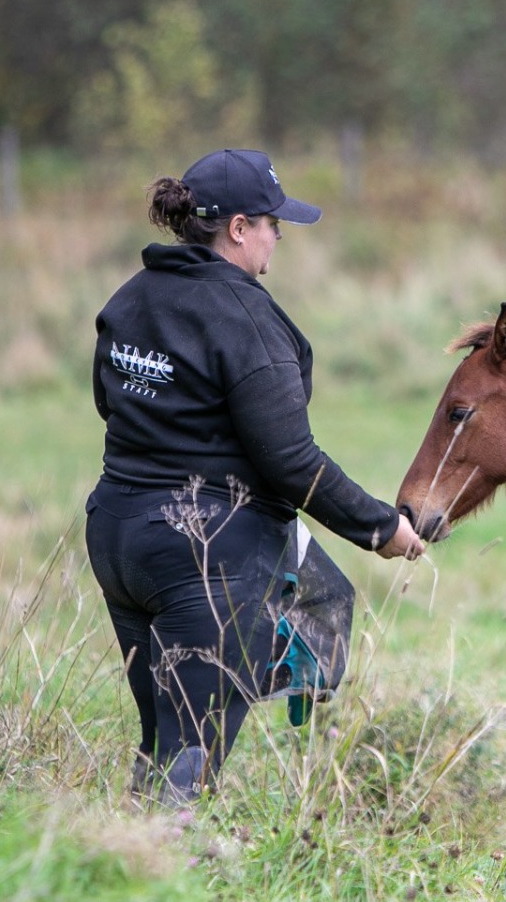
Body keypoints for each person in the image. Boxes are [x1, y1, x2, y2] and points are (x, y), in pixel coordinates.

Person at [84, 148, 425, 807]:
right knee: (191, 747)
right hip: (205, 550)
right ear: (238, 228)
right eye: (273, 223)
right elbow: (291, 461)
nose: (279, 236)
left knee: (164, 731)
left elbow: (109, 402)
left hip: (117, 535)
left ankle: (133, 846)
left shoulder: (129, 299)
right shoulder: (246, 319)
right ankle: (160, 866)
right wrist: (381, 526)